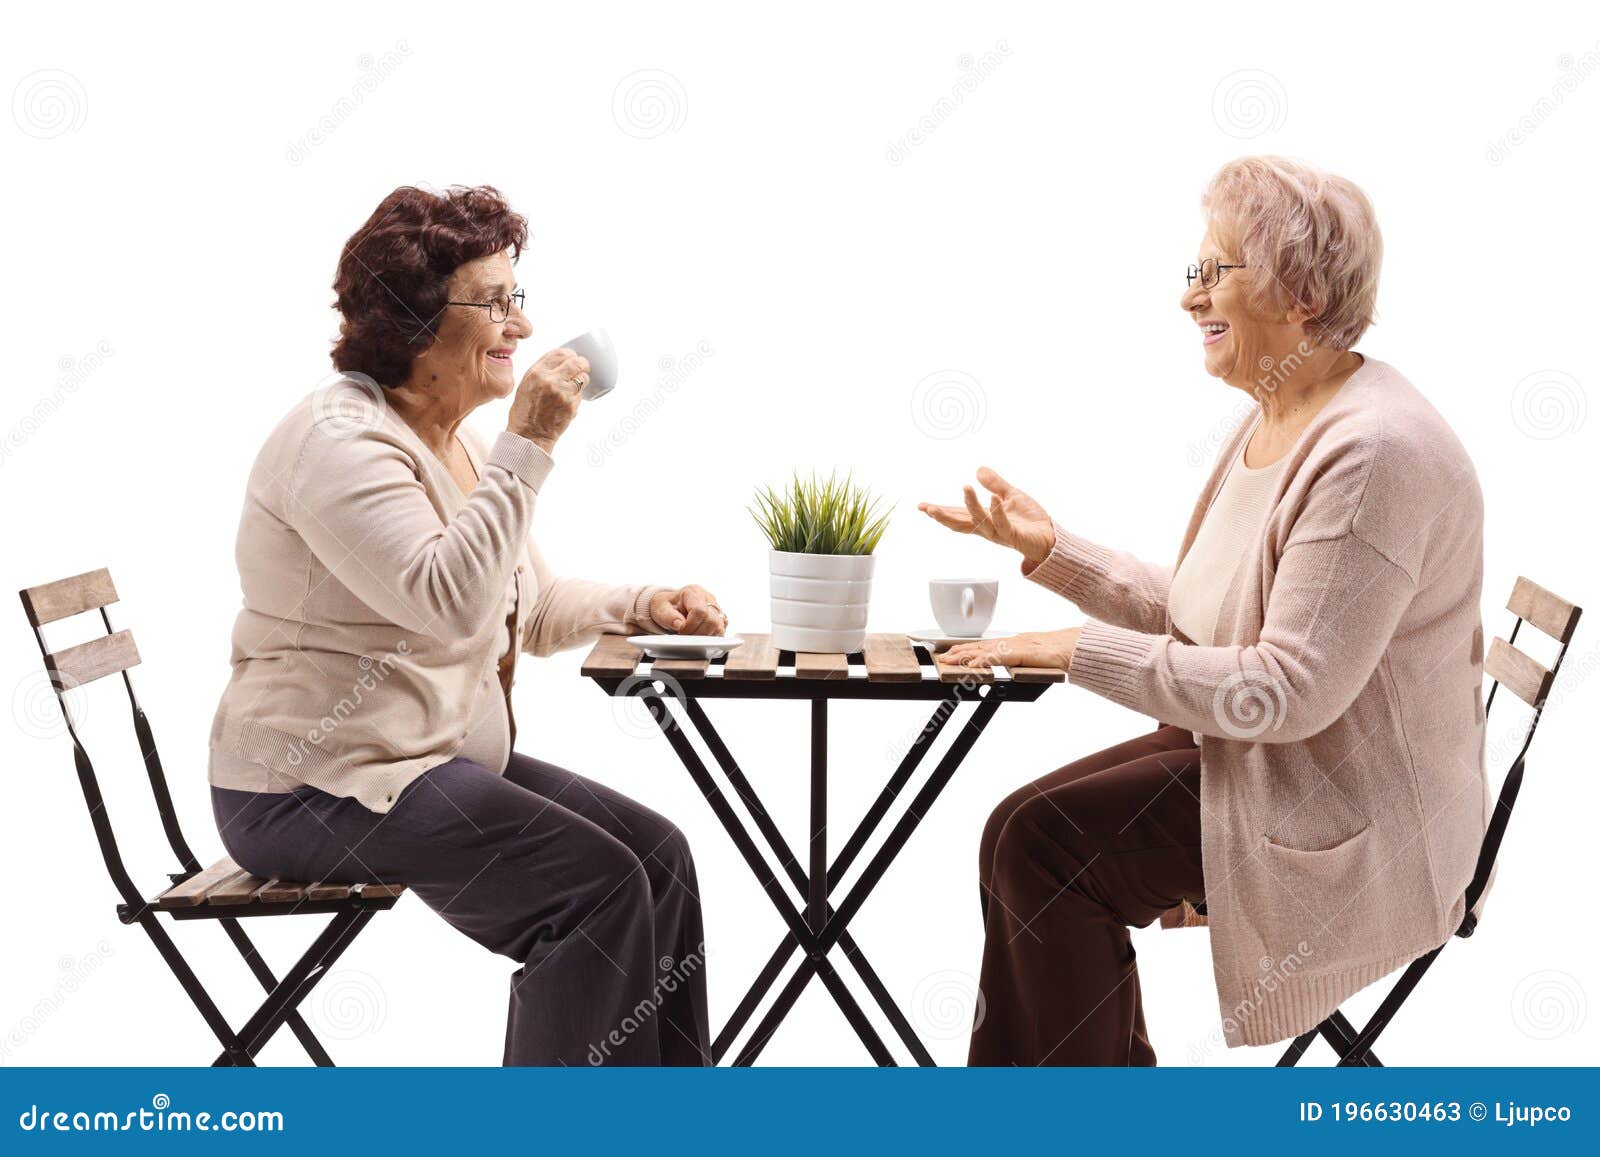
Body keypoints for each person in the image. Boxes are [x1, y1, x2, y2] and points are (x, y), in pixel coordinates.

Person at [920, 157, 1488, 1064]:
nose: (1190, 298)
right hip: (1277, 763)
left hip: (1352, 818)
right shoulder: (1287, 409)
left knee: (1044, 847)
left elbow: (1284, 690)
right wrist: (1050, 550)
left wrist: (1074, 651)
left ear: (1299, 294)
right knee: (1016, 831)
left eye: (1215, 272)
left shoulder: (1372, 452)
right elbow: (1207, 615)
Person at [208, 185, 721, 1065]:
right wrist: (529, 447)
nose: (520, 328)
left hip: (421, 760)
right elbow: (447, 602)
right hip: (313, 786)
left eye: (516, 298)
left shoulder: (452, 442)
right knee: (596, 889)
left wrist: (646, 604)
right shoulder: (341, 442)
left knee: (658, 859)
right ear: (411, 321)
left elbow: (530, 605)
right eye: (494, 303)